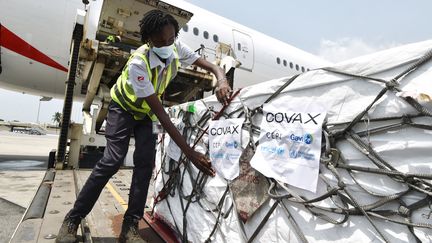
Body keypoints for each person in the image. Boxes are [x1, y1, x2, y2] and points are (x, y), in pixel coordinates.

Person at [56, 9, 232, 243]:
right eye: (160, 42)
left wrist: (221, 78)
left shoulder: (176, 47)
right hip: (124, 108)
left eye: (171, 39)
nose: (167, 44)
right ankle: (72, 219)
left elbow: (212, 66)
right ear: (149, 41)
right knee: (112, 161)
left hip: (147, 114)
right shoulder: (139, 63)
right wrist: (190, 153)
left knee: (145, 166)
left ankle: (130, 227)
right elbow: (161, 112)